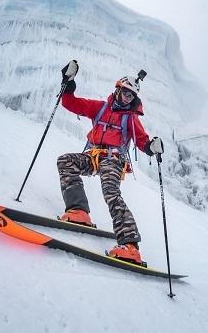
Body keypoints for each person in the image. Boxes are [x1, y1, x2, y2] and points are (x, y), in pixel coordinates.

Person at [56, 60, 164, 264]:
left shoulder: (132, 119)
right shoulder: (100, 108)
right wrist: (68, 84)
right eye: (125, 92)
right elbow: (72, 103)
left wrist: (152, 147)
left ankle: (130, 246)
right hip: (93, 156)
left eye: (131, 95)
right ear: (118, 89)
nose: (127, 97)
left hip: (114, 160)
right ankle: (78, 212)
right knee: (66, 161)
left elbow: (142, 142)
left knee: (111, 192)